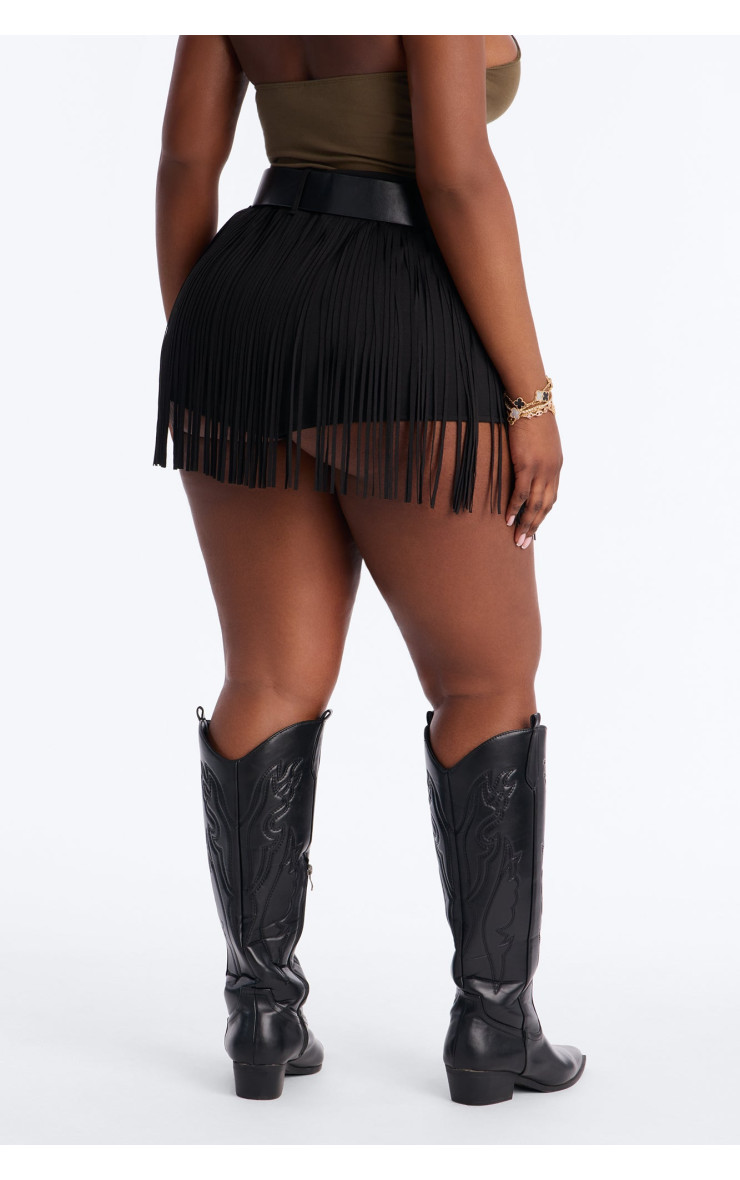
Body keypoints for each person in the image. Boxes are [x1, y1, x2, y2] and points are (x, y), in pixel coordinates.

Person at [152, 34, 585, 1106]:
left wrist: (215, 335)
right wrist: (531, 398)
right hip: (398, 307)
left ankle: (261, 1011)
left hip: (240, 297)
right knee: (484, 679)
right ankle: (492, 1023)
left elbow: (185, 163)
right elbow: (454, 174)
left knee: (267, 675)